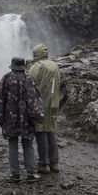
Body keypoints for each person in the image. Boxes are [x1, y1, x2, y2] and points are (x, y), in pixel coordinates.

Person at [0, 57, 44, 182]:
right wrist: (38, 115)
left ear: (12, 66)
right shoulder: (29, 79)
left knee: (12, 145)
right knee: (28, 145)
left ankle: (15, 174)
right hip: (26, 118)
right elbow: (34, 99)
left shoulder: (7, 78)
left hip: (10, 118)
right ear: (23, 66)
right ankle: (31, 173)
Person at [28, 44, 61, 173]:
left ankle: (44, 163)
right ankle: (55, 163)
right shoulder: (54, 65)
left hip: (40, 104)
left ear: (36, 53)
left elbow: (30, 85)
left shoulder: (35, 67)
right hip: (53, 103)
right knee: (51, 131)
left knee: (40, 132)